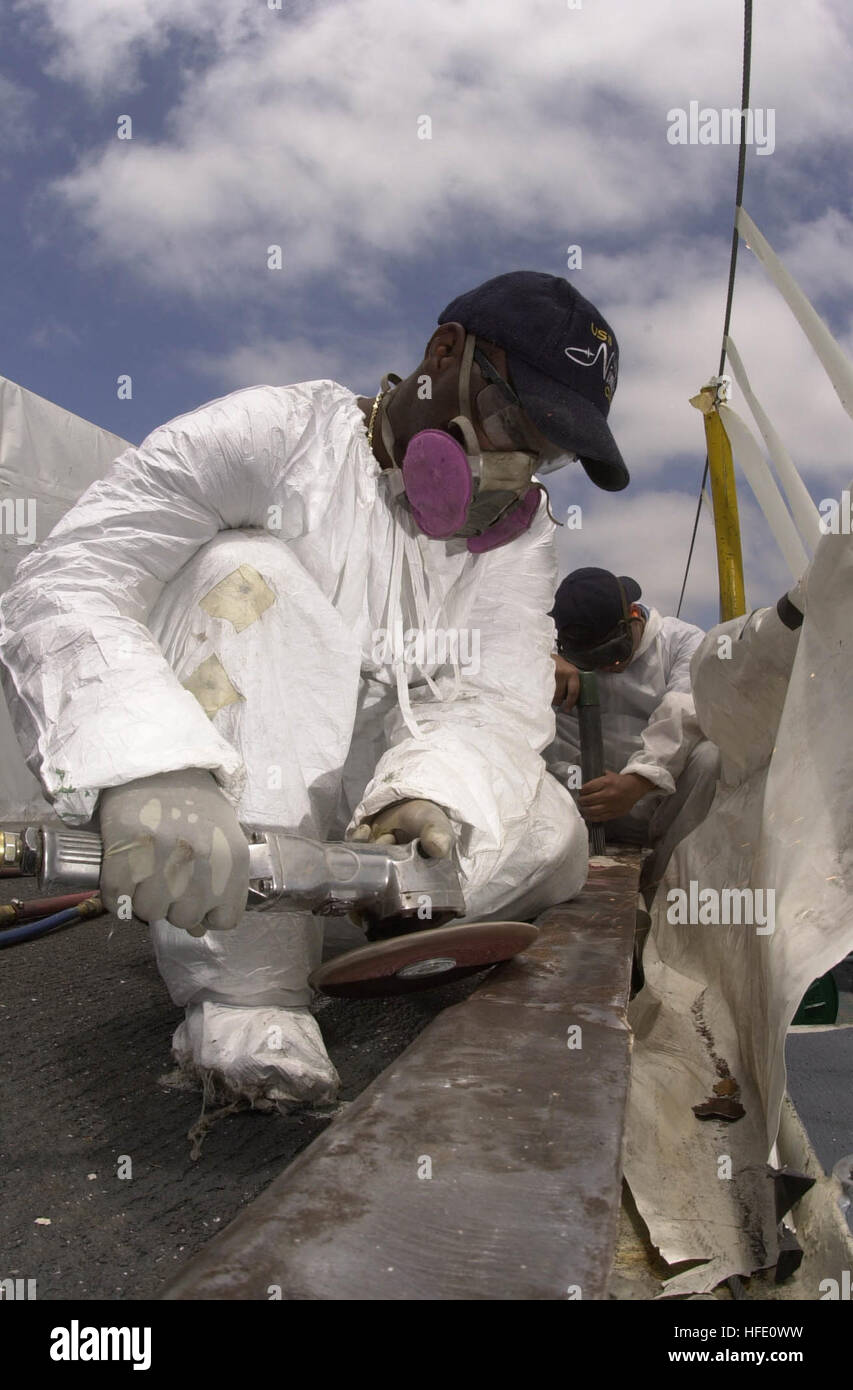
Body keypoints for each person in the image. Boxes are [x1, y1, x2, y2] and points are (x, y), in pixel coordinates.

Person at [0, 271, 628, 1108]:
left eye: (544, 452)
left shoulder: (512, 541)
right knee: (246, 574)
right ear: (445, 353)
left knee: (555, 835)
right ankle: (246, 994)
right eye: (513, 421)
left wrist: (431, 796)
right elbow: (71, 582)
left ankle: (361, 904)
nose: (516, 471)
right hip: (230, 774)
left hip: (367, 805)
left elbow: (497, 692)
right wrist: (150, 768)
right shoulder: (275, 432)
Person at [545, 567, 720, 896]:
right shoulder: (544, 650)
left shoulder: (681, 641)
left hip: (657, 804)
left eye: (615, 654)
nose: (611, 668)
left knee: (710, 757)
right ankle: (553, 870)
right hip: (580, 804)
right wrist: (539, 663)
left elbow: (682, 713)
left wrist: (635, 783)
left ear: (633, 615)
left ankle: (667, 883)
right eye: (594, 663)